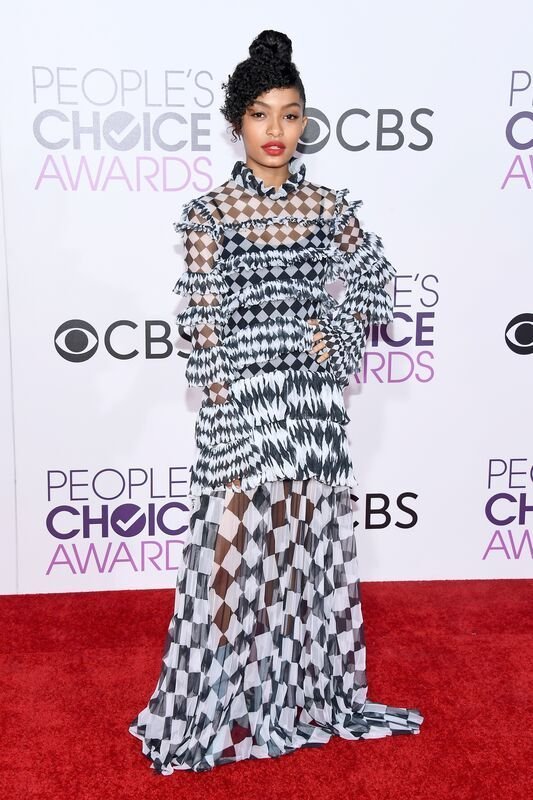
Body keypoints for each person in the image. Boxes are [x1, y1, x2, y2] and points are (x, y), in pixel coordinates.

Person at [128, 28, 424, 775]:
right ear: (237, 124)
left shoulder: (325, 206)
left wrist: (332, 330)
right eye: (261, 115)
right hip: (243, 402)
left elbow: (375, 282)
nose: (276, 131)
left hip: (310, 403)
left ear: (304, 122)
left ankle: (290, 699)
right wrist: (226, 397)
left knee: (298, 558)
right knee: (224, 555)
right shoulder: (209, 214)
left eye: (290, 115)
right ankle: (201, 707)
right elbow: (199, 318)